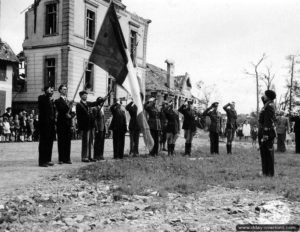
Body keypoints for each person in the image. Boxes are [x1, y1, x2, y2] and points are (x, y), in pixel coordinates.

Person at [76, 90, 100, 162]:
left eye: (86, 95)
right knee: (85, 142)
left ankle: (90, 156)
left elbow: (95, 103)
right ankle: (84, 157)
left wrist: (102, 99)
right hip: (84, 126)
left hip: (90, 125)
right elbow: (79, 117)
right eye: (84, 95)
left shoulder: (88, 103)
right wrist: (80, 127)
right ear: (81, 96)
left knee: (90, 142)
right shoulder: (79, 105)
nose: (86, 96)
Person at [258, 90, 276, 177]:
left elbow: (267, 121)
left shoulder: (269, 106)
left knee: (268, 153)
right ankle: (265, 172)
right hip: (264, 131)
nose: (263, 96)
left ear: (268, 97)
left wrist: (265, 134)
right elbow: (263, 98)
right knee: (264, 152)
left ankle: (269, 173)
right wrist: (265, 95)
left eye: (265, 94)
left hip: (267, 132)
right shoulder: (267, 103)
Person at [55, 84, 74, 164]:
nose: (65, 91)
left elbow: (72, 112)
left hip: (68, 124)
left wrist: (71, 115)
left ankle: (67, 158)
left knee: (67, 141)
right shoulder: (58, 101)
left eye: (66, 89)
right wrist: (68, 106)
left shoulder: (69, 101)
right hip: (61, 123)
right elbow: (61, 110)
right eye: (63, 89)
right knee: (61, 141)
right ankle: (61, 159)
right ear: (60, 91)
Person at [38, 86, 56, 167]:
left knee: (50, 142)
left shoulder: (51, 100)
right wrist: (48, 98)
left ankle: (48, 159)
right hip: (44, 124)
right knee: (44, 143)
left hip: (51, 124)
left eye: (52, 90)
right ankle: (42, 161)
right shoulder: (42, 98)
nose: (51, 91)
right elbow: (44, 104)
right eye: (49, 89)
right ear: (45, 90)